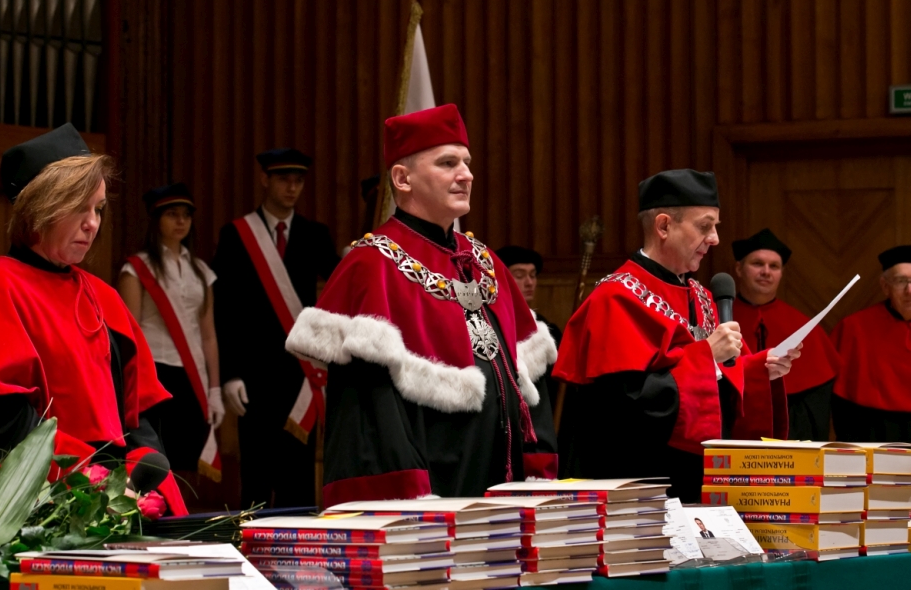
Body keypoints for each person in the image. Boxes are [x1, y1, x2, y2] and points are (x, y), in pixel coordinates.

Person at [285, 104, 559, 508]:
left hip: (503, 481)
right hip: (433, 487)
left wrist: (537, 472)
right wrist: (412, 507)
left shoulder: (485, 261)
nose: (465, 175)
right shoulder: (371, 265)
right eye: (448, 163)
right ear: (403, 178)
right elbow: (371, 416)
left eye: (466, 163)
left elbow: (530, 382)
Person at [0, 124, 186, 515]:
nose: (92, 223)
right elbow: (6, 419)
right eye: (80, 208)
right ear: (39, 207)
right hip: (41, 490)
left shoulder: (105, 298)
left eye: (98, 209)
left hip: (116, 493)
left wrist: (138, 483)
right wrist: (93, 482)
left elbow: (137, 415)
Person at [553, 169, 799, 501]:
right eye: (705, 226)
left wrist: (759, 369)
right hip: (641, 481)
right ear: (664, 226)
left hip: (702, 477)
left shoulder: (703, 296)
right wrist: (706, 357)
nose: (715, 239)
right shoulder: (615, 298)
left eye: (715, 227)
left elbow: (717, 380)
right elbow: (623, 407)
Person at [212, 148, 340, 508]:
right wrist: (229, 374)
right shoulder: (236, 235)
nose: (292, 188)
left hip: (299, 374)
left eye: (298, 181)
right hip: (253, 375)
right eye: (284, 179)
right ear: (265, 180)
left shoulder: (315, 234)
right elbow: (224, 310)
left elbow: (339, 287)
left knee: (298, 478)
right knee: (255, 475)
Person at [118, 183, 223, 476]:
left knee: (187, 459)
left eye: (186, 215)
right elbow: (130, 333)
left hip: (192, 376)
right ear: (156, 220)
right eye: (172, 214)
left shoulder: (201, 270)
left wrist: (215, 389)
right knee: (156, 457)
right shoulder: (137, 268)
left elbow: (209, 335)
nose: (181, 221)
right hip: (155, 372)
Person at [732, 229, 840, 441]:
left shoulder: (804, 326)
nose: (766, 271)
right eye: (757, 263)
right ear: (738, 268)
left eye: (774, 266)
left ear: (781, 273)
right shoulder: (716, 316)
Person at [832, 246, 911, 442]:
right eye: (901, 281)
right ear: (885, 286)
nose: (910, 290)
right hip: (873, 433)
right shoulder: (854, 328)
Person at [496, 245, 563, 404]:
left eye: (533, 275)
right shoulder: (492, 323)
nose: (529, 282)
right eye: (519, 275)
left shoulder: (545, 327)